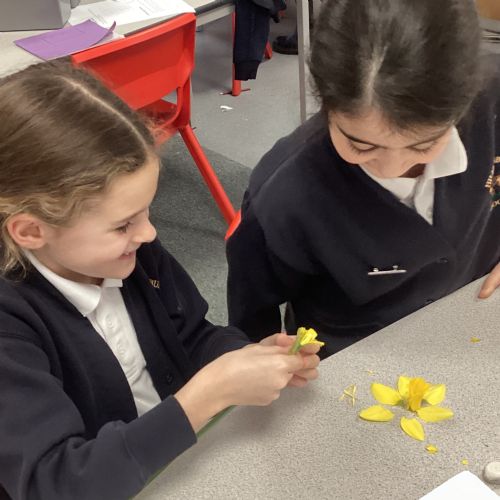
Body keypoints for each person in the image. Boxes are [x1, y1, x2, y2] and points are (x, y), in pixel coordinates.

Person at [0, 62, 320, 500]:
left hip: (176, 461)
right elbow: (55, 483)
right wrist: (204, 397)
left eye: (147, 211)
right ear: (31, 231)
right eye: (123, 224)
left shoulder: (132, 254)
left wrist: (244, 357)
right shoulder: (11, 326)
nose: (149, 233)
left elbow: (191, 335)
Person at [226, 0, 500, 359]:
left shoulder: (491, 101)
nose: (391, 168)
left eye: (424, 145)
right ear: (325, 104)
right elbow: (250, 322)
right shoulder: (283, 195)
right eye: (361, 145)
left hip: (474, 315)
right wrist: (263, 359)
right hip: (350, 353)